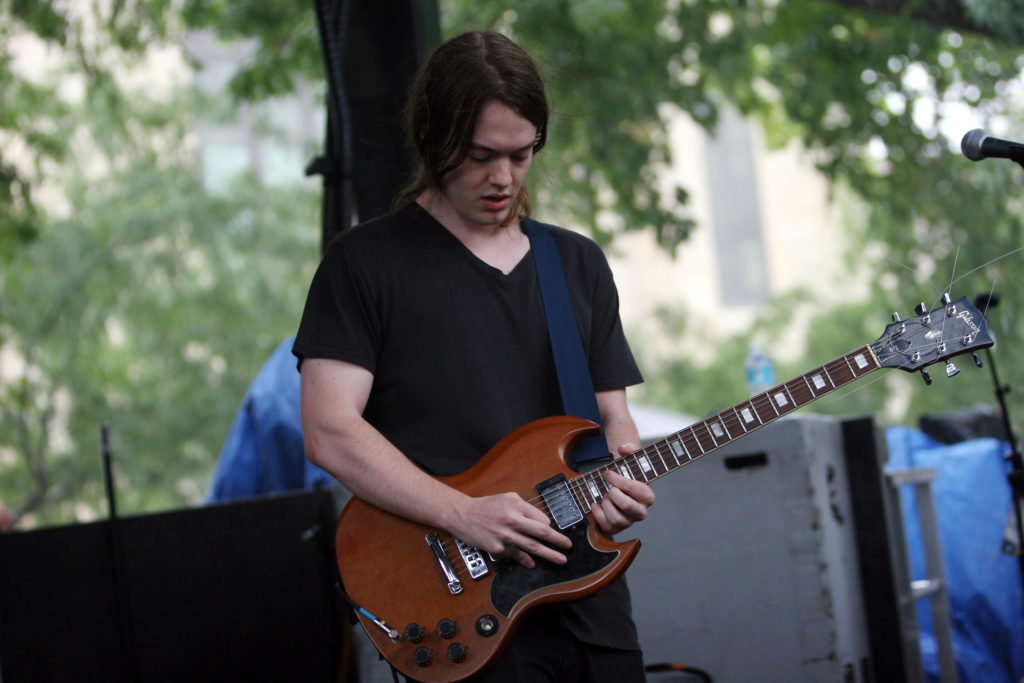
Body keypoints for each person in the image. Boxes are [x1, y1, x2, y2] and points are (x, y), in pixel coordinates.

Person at [294, 31, 655, 682]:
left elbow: (612, 419)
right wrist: (461, 512)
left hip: (591, 600)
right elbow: (328, 429)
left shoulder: (574, 262)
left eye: (521, 156)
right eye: (481, 155)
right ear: (434, 140)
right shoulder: (365, 263)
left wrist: (622, 482)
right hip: (458, 602)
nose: (502, 178)